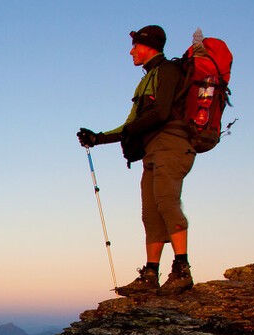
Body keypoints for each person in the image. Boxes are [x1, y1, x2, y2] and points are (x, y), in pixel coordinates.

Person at [78, 25, 195, 296]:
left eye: (135, 46)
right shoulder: (149, 77)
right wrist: (97, 138)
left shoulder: (167, 71)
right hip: (154, 150)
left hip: (172, 145)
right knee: (150, 213)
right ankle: (150, 274)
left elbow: (161, 113)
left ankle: (181, 269)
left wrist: (128, 132)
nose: (131, 52)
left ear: (148, 45)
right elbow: (132, 123)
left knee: (166, 202)